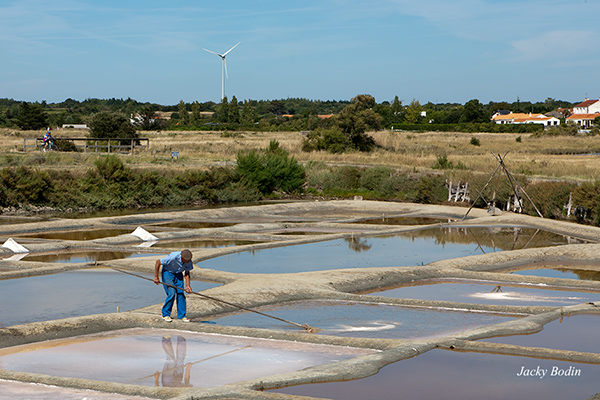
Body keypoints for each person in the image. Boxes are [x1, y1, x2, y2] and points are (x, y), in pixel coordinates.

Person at [154, 249, 193, 322]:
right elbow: (158, 262)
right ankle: (165, 314)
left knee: (181, 294)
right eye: (186, 260)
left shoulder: (189, 261)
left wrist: (188, 285)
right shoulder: (173, 257)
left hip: (178, 274)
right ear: (182, 258)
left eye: (189, 260)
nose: (188, 262)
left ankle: (182, 316)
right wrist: (156, 277)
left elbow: (187, 273)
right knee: (171, 293)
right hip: (168, 272)